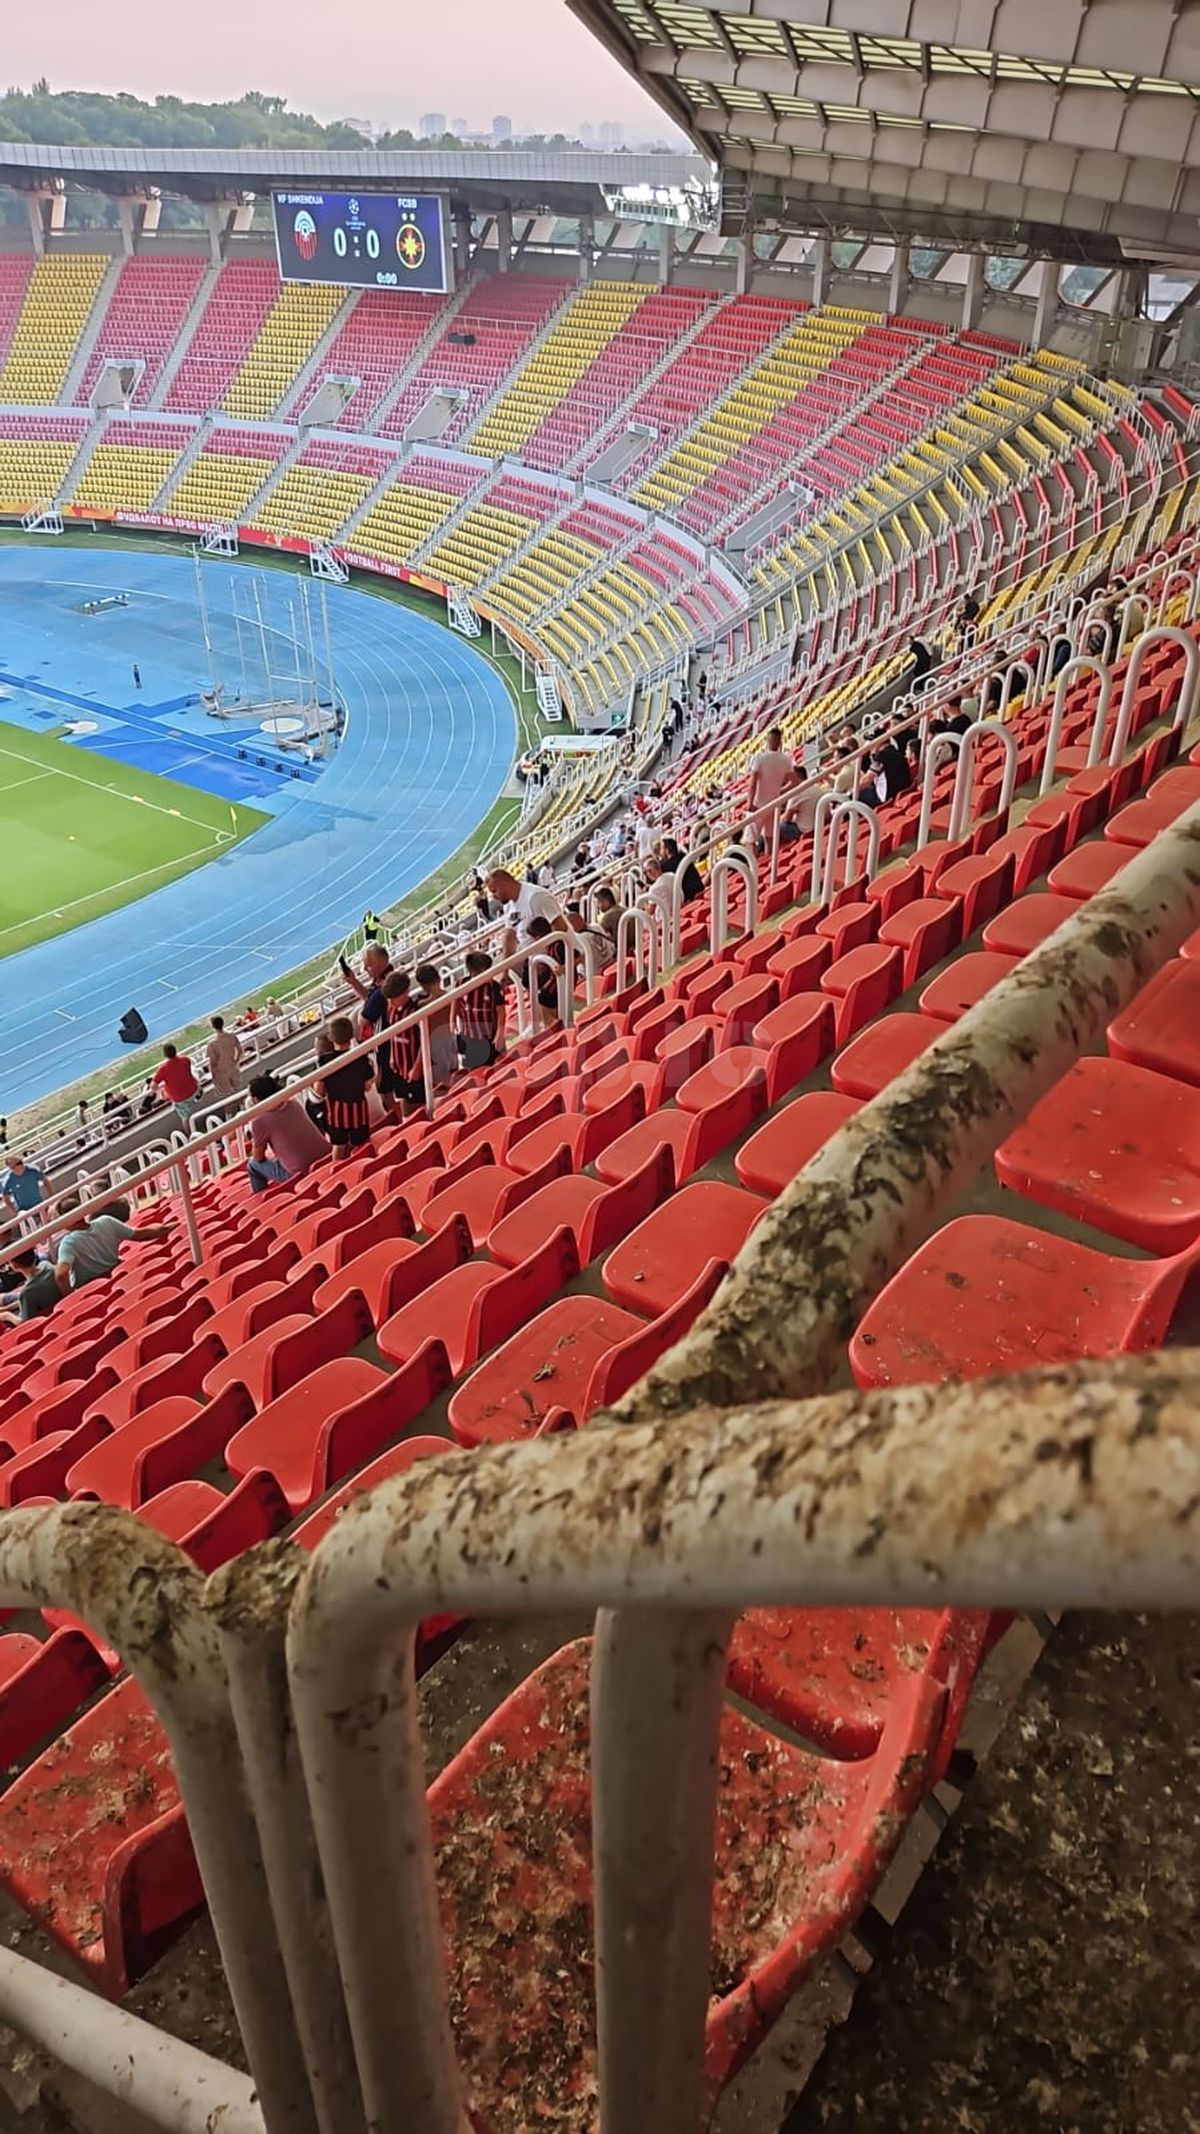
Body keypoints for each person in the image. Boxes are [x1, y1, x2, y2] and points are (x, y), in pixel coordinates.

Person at [55, 1198, 173, 1294]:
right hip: (120, 1278)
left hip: (91, 1292)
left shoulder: (68, 1243)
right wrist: (173, 1226)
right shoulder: (106, 1221)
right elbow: (142, 1234)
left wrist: (69, 1296)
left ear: (64, 1220)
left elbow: (61, 1275)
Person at [245, 1074, 328, 1193]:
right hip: (326, 1156)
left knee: (252, 1164)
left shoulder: (259, 1121)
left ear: (255, 1099)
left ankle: (260, 1198)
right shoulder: (293, 1102)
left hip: (300, 1172)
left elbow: (258, 1157)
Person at [316, 1017, 374, 1160]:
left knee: (338, 1146)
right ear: (351, 1035)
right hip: (358, 1111)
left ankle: (338, 1171)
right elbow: (368, 1086)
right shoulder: (360, 1057)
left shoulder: (324, 1061)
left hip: (336, 1114)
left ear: (330, 1038)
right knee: (363, 1145)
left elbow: (319, 1090)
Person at [486, 867, 567, 957]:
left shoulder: (536, 896)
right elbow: (510, 934)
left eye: (494, 891)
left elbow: (561, 927)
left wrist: (551, 957)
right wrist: (506, 964)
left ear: (504, 885)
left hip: (555, 957)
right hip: (533, 958)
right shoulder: (508, 904)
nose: (493, 896)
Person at [454, 950, 506, 1070]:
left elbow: (501, 1012)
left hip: (490, 1037)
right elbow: (455, 1002)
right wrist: (452, 1020)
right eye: (485, 971)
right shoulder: (461, 984)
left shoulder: (493, 987)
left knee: (497, 1068)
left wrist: (499, 1034)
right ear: (474, 972)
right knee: (476, 1072)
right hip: (470, 1038)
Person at [415, 963, 457, 1086]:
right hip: (450, 1042)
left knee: (439, 1086)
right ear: (438, 978)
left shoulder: (422, 1005)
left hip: (434, 1047)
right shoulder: (450, 997)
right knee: (455, 1079)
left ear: (423, 985)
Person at [747, 726, 794, 829]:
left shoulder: (759, 758)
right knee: (770, 836)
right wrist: (781, 791)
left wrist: (749, 803)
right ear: (780, 743)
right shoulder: (786, 760)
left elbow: (752, 784)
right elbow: (795, 782)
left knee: (750, 836)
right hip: (774, 804)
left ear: (768, 741)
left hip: (759, 805)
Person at [0, 1245, 59, 1323]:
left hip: (39, 1316)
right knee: (3, 1297)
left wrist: (6, 1315)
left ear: (15, 1265)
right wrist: (8, 1308)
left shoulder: (26, 1293)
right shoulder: (47, 1265)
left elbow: (25, 1323)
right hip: (45, 1302)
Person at [151, 1043, 200, 1127]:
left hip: (179, 1098)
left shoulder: (163, 1068)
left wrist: (162, 1087)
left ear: (165, 1054)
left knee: (185, 1118)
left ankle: (189, 1134)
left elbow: (153, 1086)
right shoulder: (185, 1059)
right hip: (194, 1090)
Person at [0, 1155, 48, 1231]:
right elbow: (5, 1198)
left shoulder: (33, 1170)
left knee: (48, 1227)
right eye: (18, 1163)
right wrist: (15, 1213)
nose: (22, 1164)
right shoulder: (8, 1180)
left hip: (40, 1206)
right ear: (12, 1168)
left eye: (21, 1162)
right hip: (25, 1213)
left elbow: (46, 1181)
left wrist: (52, 1196)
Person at [205, 1015, 244, 1099]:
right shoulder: (231, 1035)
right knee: (238, 1090)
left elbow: (212, 1062)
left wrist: (213, 1074)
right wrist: (235, 1061)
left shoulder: (212, 1043)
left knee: (226, 1096)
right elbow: (240, 1050)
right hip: (233, 1067)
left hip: (221, 1072)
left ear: (212, 1026)